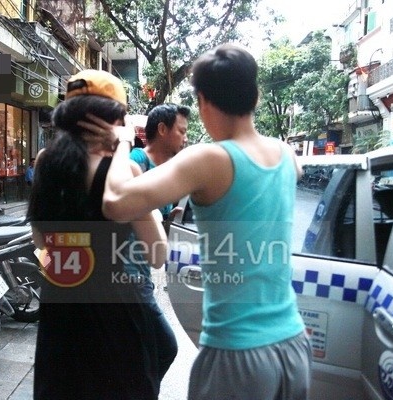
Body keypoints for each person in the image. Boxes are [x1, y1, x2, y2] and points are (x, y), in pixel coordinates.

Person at [81, 43, 312, 400]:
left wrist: (123, 143)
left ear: (203, 101)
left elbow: (114, 203)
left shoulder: (209, 159)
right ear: (255, 95)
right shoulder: (285, 153)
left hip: (238, 354)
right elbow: (288, 176)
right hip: (293, 347)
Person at [26, 69, 168, 400]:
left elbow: (40, 240)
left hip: (60, 305)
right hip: (115, 309)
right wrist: (123, 145)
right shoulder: (125, 171)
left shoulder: (46, 162)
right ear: (117, 119)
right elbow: (158, 253)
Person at [123, 103, 191, 383]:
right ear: (162, 129)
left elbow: (152, 228)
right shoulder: (136, 161)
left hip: (142, 271)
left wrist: (168, 220)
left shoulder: (169, 172)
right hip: (126, 273)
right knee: (165, 346)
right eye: (181, 131)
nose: (185, 137)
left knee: (141, 350)